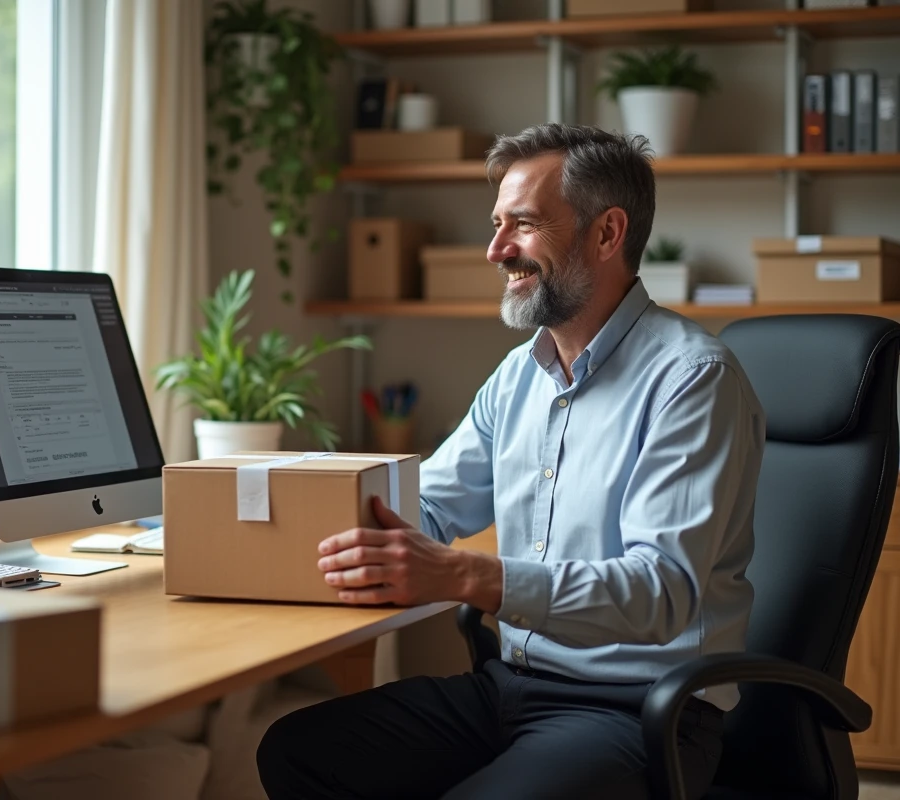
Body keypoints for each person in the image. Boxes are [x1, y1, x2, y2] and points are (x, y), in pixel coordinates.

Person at [255, 123, 766, 800]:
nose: (496, 250)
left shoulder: (692, 379)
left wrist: (472, 576)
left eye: (522, 224)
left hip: (638, 708)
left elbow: (660, 592)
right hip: (510, 685)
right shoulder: (516, 378)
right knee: (298, 752)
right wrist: (286, 541)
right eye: (497, 224)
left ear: (608, 233)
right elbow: (428, 507)